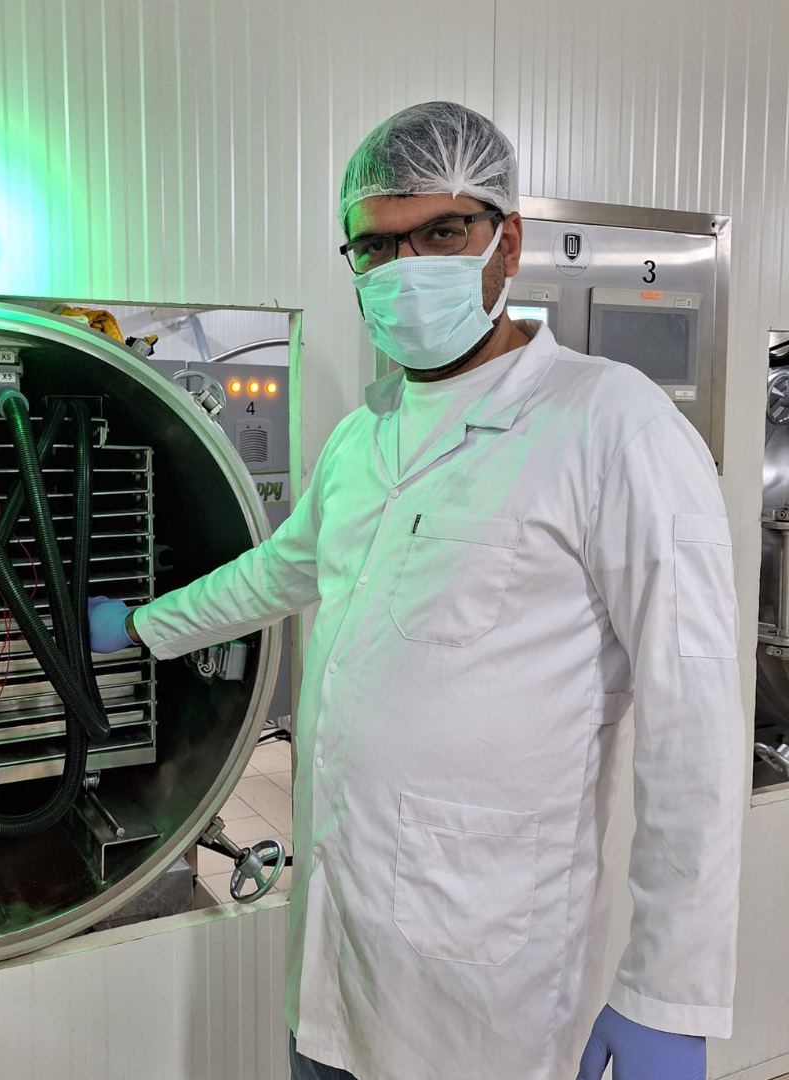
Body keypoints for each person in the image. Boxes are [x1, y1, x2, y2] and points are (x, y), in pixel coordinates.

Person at [89, 102, 743, 1080]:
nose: (405, 271)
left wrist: (666, 992)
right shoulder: (366, 435)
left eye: (440, 233)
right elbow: (281, 573)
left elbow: (697, 721)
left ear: (506, 240)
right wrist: (145, 626)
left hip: (492, 992)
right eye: (375, 247)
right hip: (341, 962)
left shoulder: (614, 427)